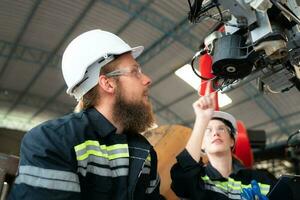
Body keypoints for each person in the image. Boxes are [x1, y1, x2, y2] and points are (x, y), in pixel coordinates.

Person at [8, 29, 161, 200]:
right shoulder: (53, 141)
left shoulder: (144, 150)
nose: (147, 79)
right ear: (108, 83)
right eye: (135, 71)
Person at [170, 82, 277, 200]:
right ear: (202, 146)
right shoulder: (197, 181)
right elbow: (184, 174)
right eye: (208, 130)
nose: (215, 133)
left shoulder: (261, 179)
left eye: (221, 129)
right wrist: (201, 119)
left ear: (232, 141)